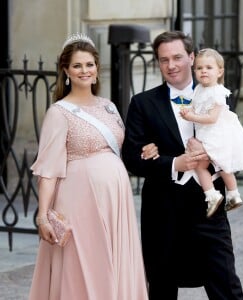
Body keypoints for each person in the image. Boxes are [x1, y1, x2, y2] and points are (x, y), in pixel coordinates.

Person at [29, 33, 157, 300]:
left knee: (114, 262)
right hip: (78, 202)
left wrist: (149, 149)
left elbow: (124, 149)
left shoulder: (108, 107)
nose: (84, 70)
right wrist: (43, 216)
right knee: (85, 266)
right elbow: (49, 171)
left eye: (89, 64)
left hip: (115, 202)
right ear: (66, 70)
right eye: (77, 65)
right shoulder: (59, 112)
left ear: (97, 68)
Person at [122, 30, 243, 300]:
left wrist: (212, 153)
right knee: (162, 288)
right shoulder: (143, 103)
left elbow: (234, 144)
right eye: (164, 60)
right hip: (162, 210)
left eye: (178, 57)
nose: (172, 65)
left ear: (191, 57)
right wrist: (173, 162)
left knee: (226, 286)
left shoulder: (217, 96)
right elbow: (131, 158)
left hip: (208, 206)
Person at [179, 48, 243, 217]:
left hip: (216, 134)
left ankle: (217, 194)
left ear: (220, 71)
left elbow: (212, 118)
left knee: (211, 166)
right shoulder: (199, 89)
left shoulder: (218, 92)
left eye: (209, 67)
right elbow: (195, 105)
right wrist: (188, 110)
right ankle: (231, 195)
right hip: (205, 133)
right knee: (216, 165)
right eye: (199, 68)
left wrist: (191, 116)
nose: (203, 71)